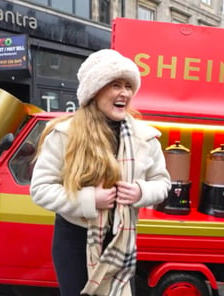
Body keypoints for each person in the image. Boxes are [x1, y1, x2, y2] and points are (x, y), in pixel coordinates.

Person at [30, 49, 171, 296]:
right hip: (73, 239)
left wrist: (141, 191)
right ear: (95, 90)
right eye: (115, 84)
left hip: (121, 238)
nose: (125, 93)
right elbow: (40, 190)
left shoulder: (145, 136)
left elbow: (162, 182)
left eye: (128, 86)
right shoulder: (65, 134)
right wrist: (89, 199)